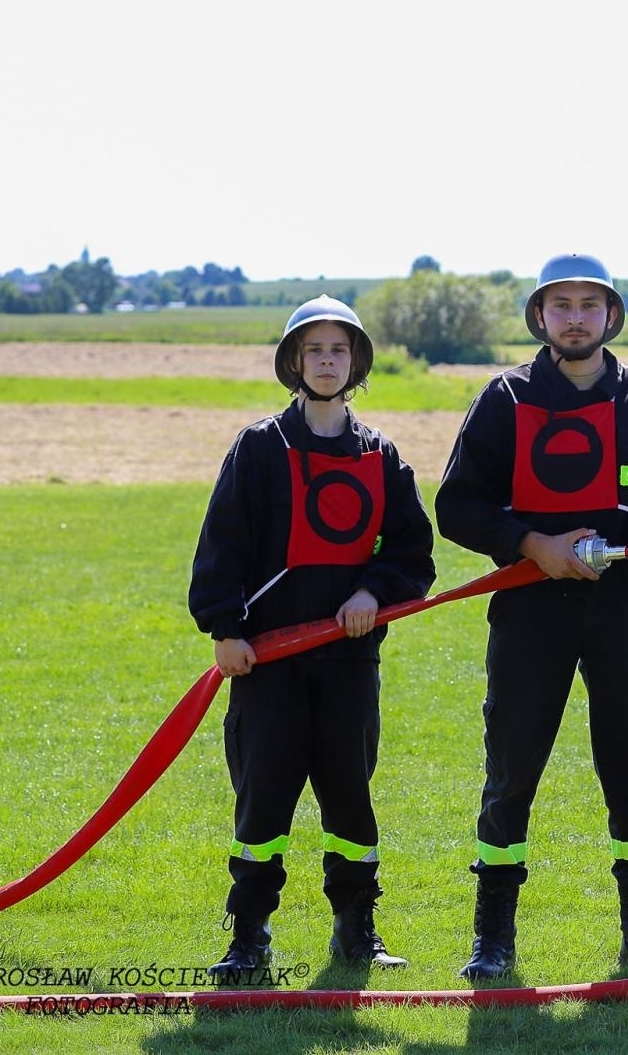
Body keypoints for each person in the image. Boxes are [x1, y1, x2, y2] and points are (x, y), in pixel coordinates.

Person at [435, 254, 628, 980]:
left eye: (590, 305)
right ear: (541, 316)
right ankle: (493, 941)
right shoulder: (505, 399)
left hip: (622, 609)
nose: (576, 318)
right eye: (562, 305)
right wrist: (532, 545)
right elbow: (456, 506)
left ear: (611, 315)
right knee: (511, 772)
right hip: (529, 611)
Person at [189, 295, 436, 979]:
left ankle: (357, 930)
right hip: (267, 663)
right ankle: (249, 937)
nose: (327, 362)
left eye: (339, 350)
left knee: (350, 796)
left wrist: (372, 592)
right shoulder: (259, 449)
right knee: (263, 798)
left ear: (356, 362)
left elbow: (412, 553)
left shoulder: (381, 455)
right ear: (294, 362)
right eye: (315, 351)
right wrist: (226, 630)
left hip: (349, 663)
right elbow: (222, 545)